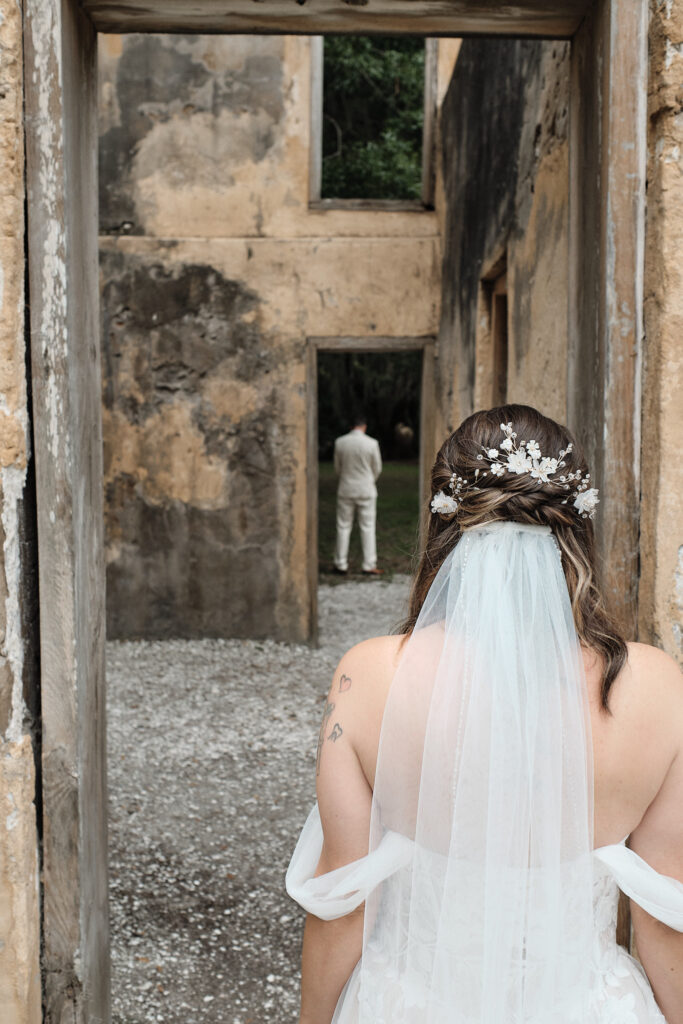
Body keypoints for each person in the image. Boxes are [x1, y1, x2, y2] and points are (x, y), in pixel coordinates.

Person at [288, 404, 683, 1024]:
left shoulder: (367, 677)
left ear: (444, 521)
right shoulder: (657, 687)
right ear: (576, 527)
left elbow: (343, 895)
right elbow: (666, 914)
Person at [332, 415, 383, 576]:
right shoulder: (372, 443)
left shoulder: (340, 442)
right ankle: (368, 564)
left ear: (351, 426)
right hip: (366, 489)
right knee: (367, 527)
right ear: (364, 426)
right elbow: (377, 468)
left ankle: (340, 564)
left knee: (343, 526)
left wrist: (347, 479)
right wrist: (369, 480)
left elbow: (337, 468)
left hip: (346, 488)